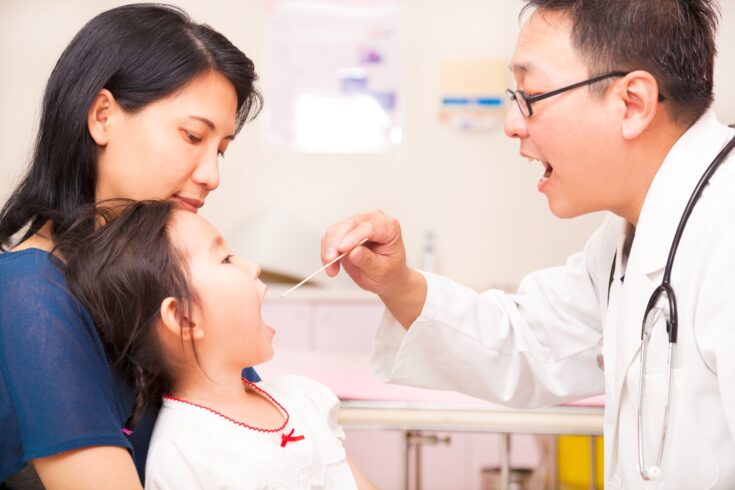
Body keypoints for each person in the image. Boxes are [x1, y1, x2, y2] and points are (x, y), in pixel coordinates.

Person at [321, 0, 735, 488]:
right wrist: (399, 284)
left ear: (632, 103)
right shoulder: (630, 234)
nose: (513, 123)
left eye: (532, 95)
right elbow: (531, 340)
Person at [0, 4, 261, 488]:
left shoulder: (176, 284)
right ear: (103, 116)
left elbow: (267, 440)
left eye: (220, 150)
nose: (212, 176)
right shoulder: (29, 292)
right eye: (192, 136)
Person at [54, 200, 374, 490]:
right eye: (226, 259)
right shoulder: (185, 454)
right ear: (183, 317)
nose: (253, 266)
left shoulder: (303, 398)